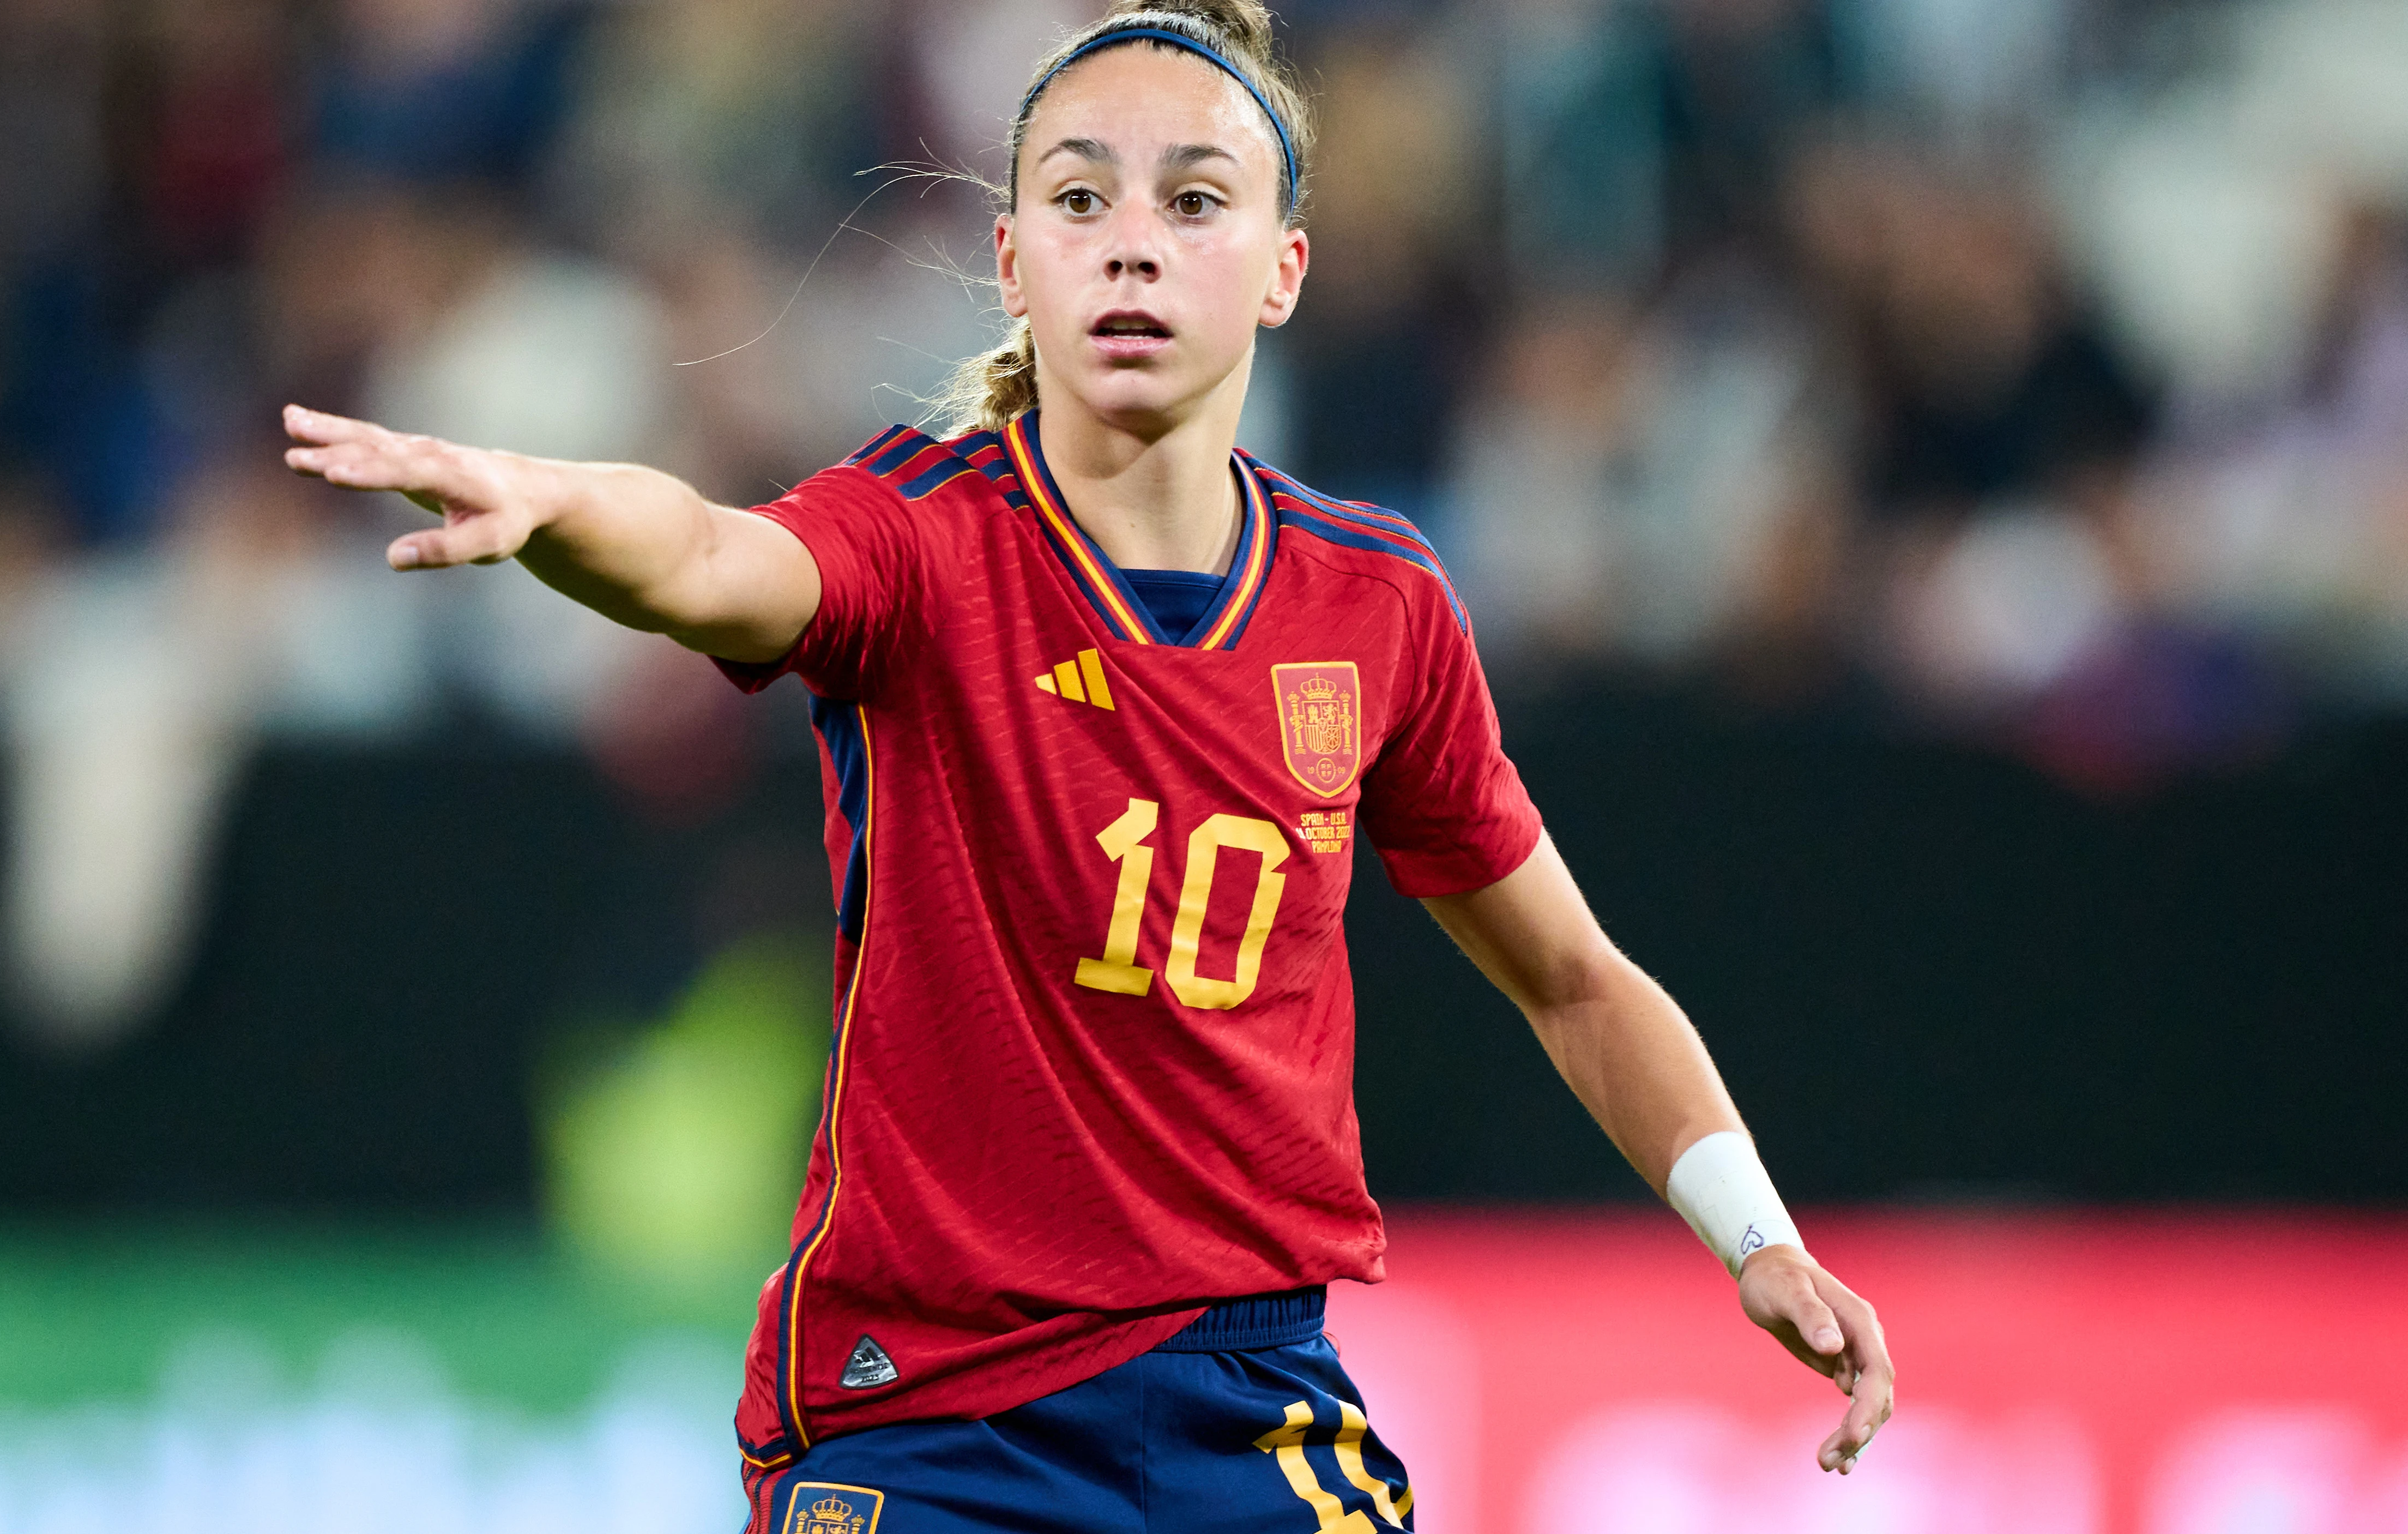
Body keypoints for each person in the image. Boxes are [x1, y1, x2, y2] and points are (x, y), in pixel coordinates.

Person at [283, 2, 1894, 1527]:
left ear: (1285, 268)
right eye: (1080, 196)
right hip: (925, 1417)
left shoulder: (1376, 604)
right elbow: (711, 559)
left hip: (1248, 1403)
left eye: (1197, 200)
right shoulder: (920, 537)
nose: (1133, 237)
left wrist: (1757, 1237)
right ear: (1011, 261)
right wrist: (563, 513)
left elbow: (1574, 979)